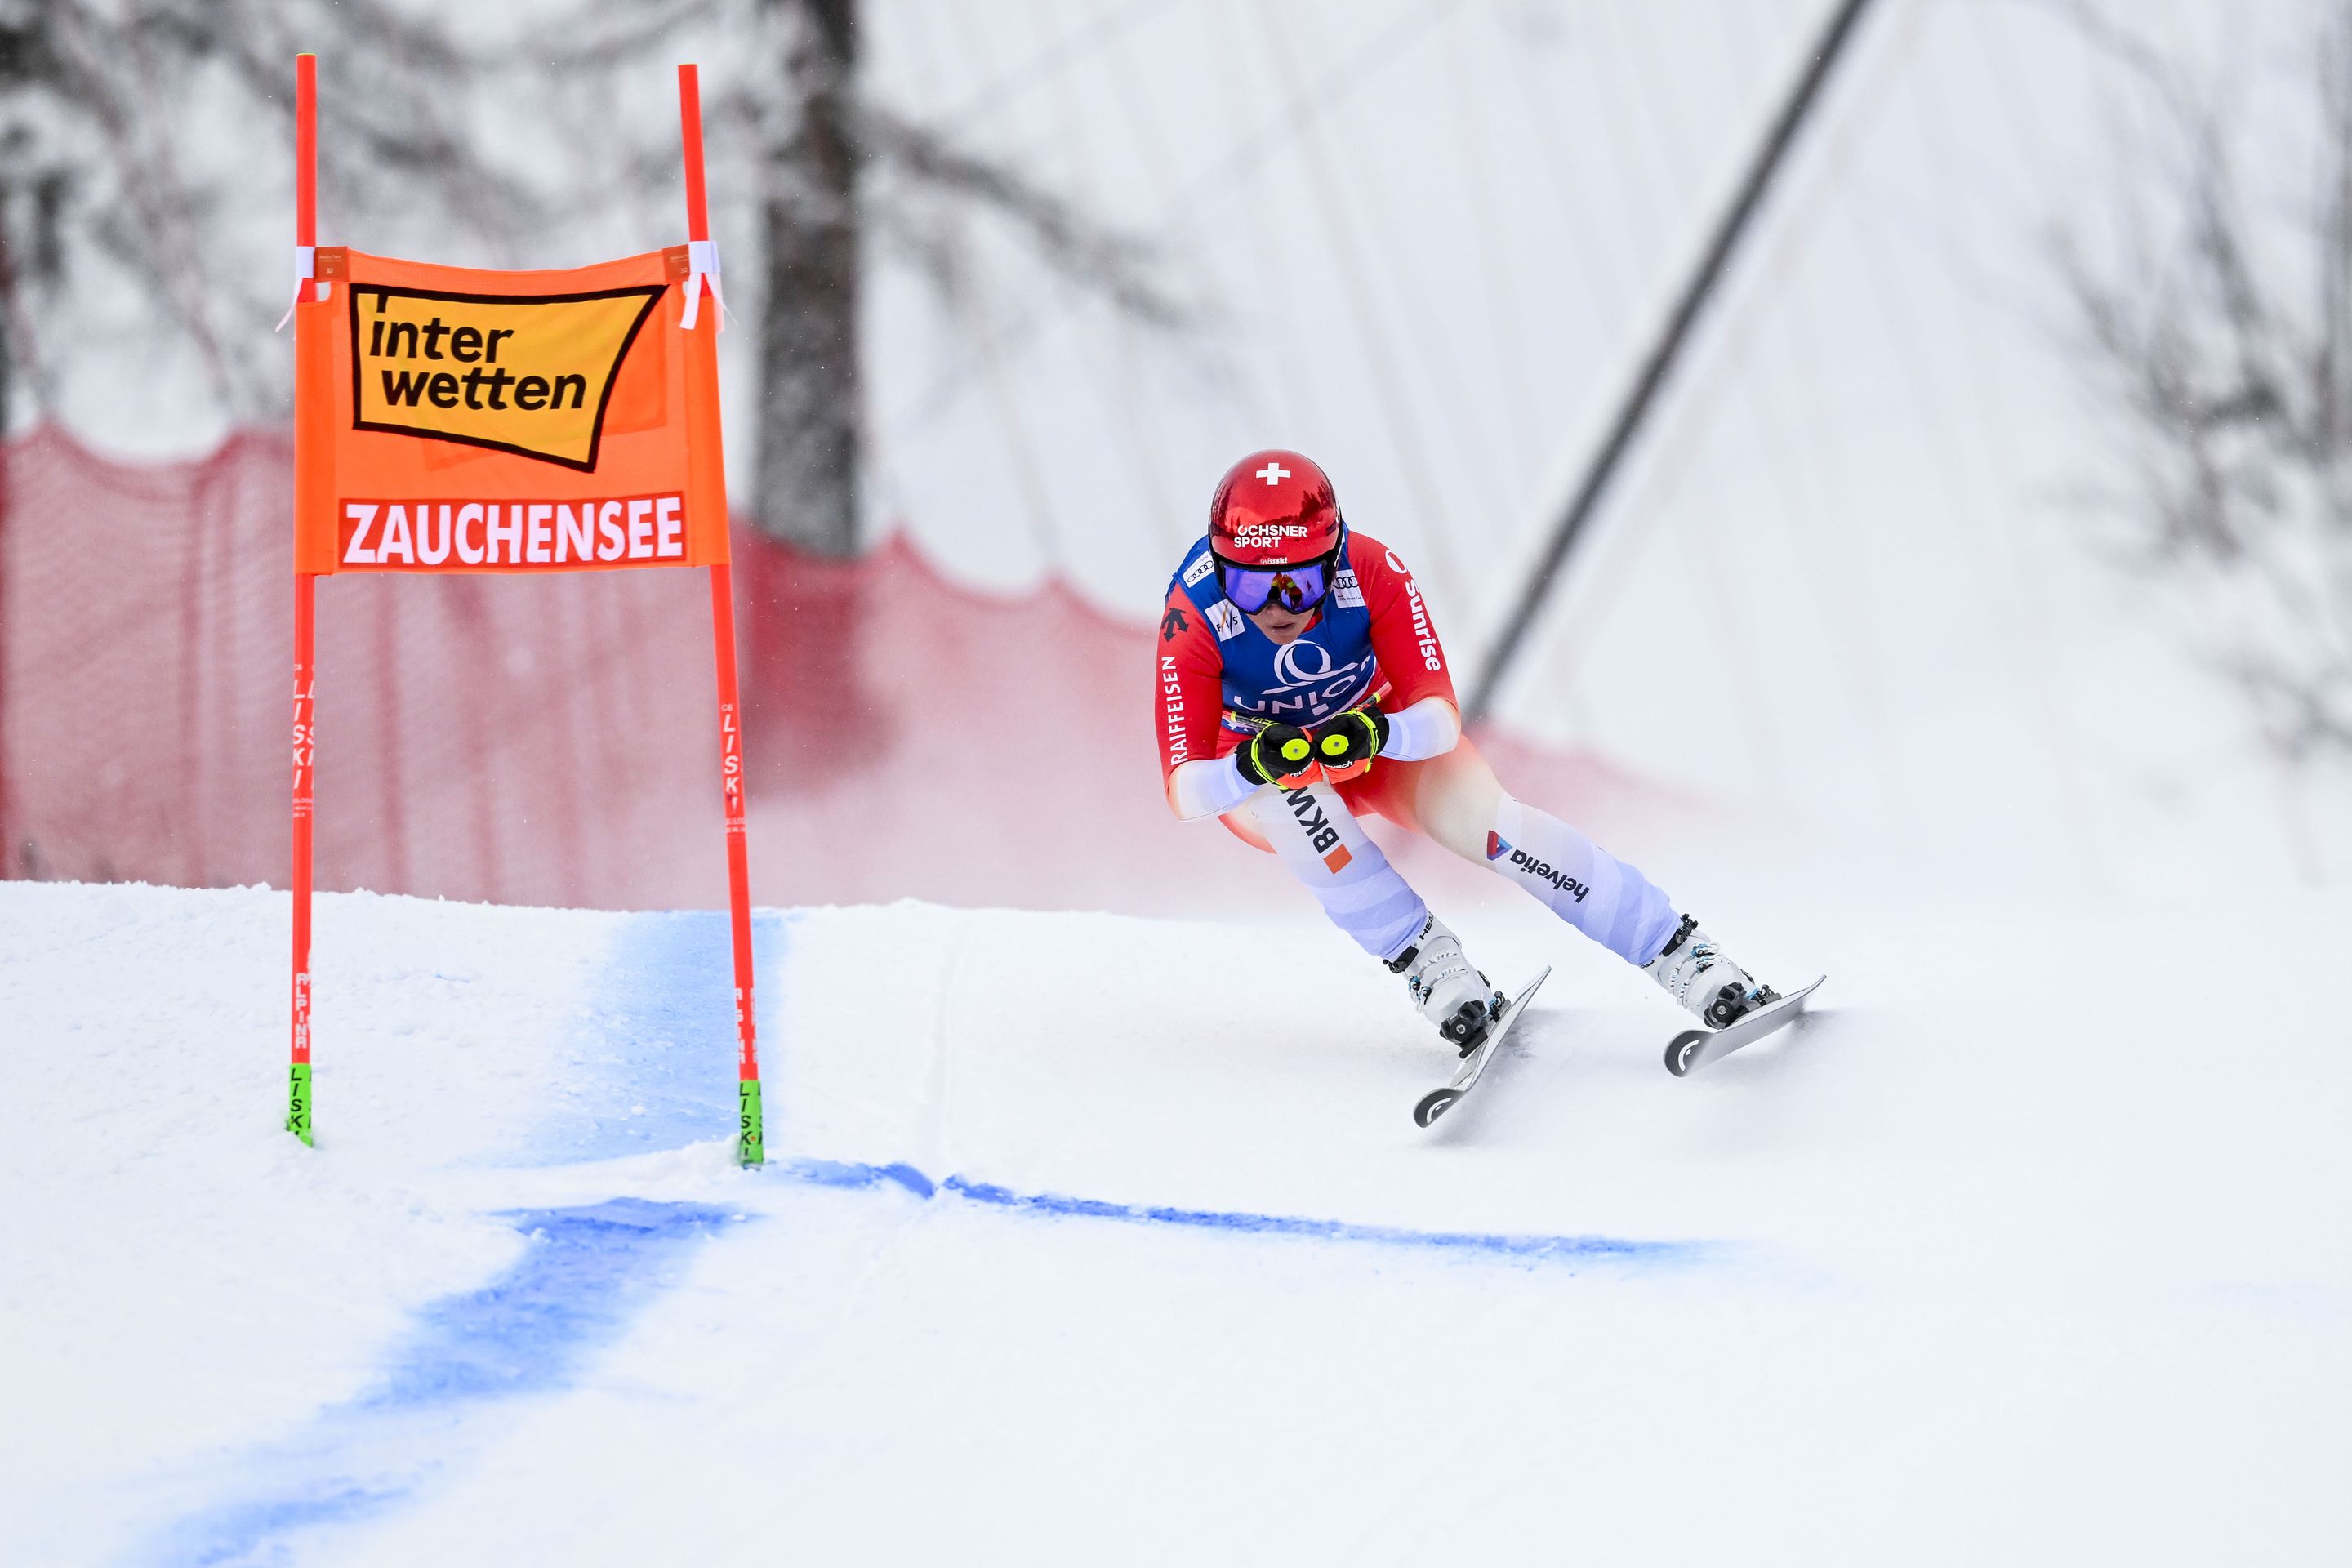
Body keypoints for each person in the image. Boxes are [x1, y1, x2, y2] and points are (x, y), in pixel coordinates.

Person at [1156, 448, 1777, 1054]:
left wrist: (1378, 733)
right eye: (1247, 584)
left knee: (1497, 831)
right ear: (1218, 570)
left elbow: (1438, 719)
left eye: (1300, 585)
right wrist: (1251, 764)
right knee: (1305, 819)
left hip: (1381, 745)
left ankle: (1684, 956)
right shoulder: (1192, 613)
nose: (1275, 608)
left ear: (1336, 557)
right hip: (1269, 774)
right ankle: (1433, 968)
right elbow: (1187, 790)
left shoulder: (1373, 571)